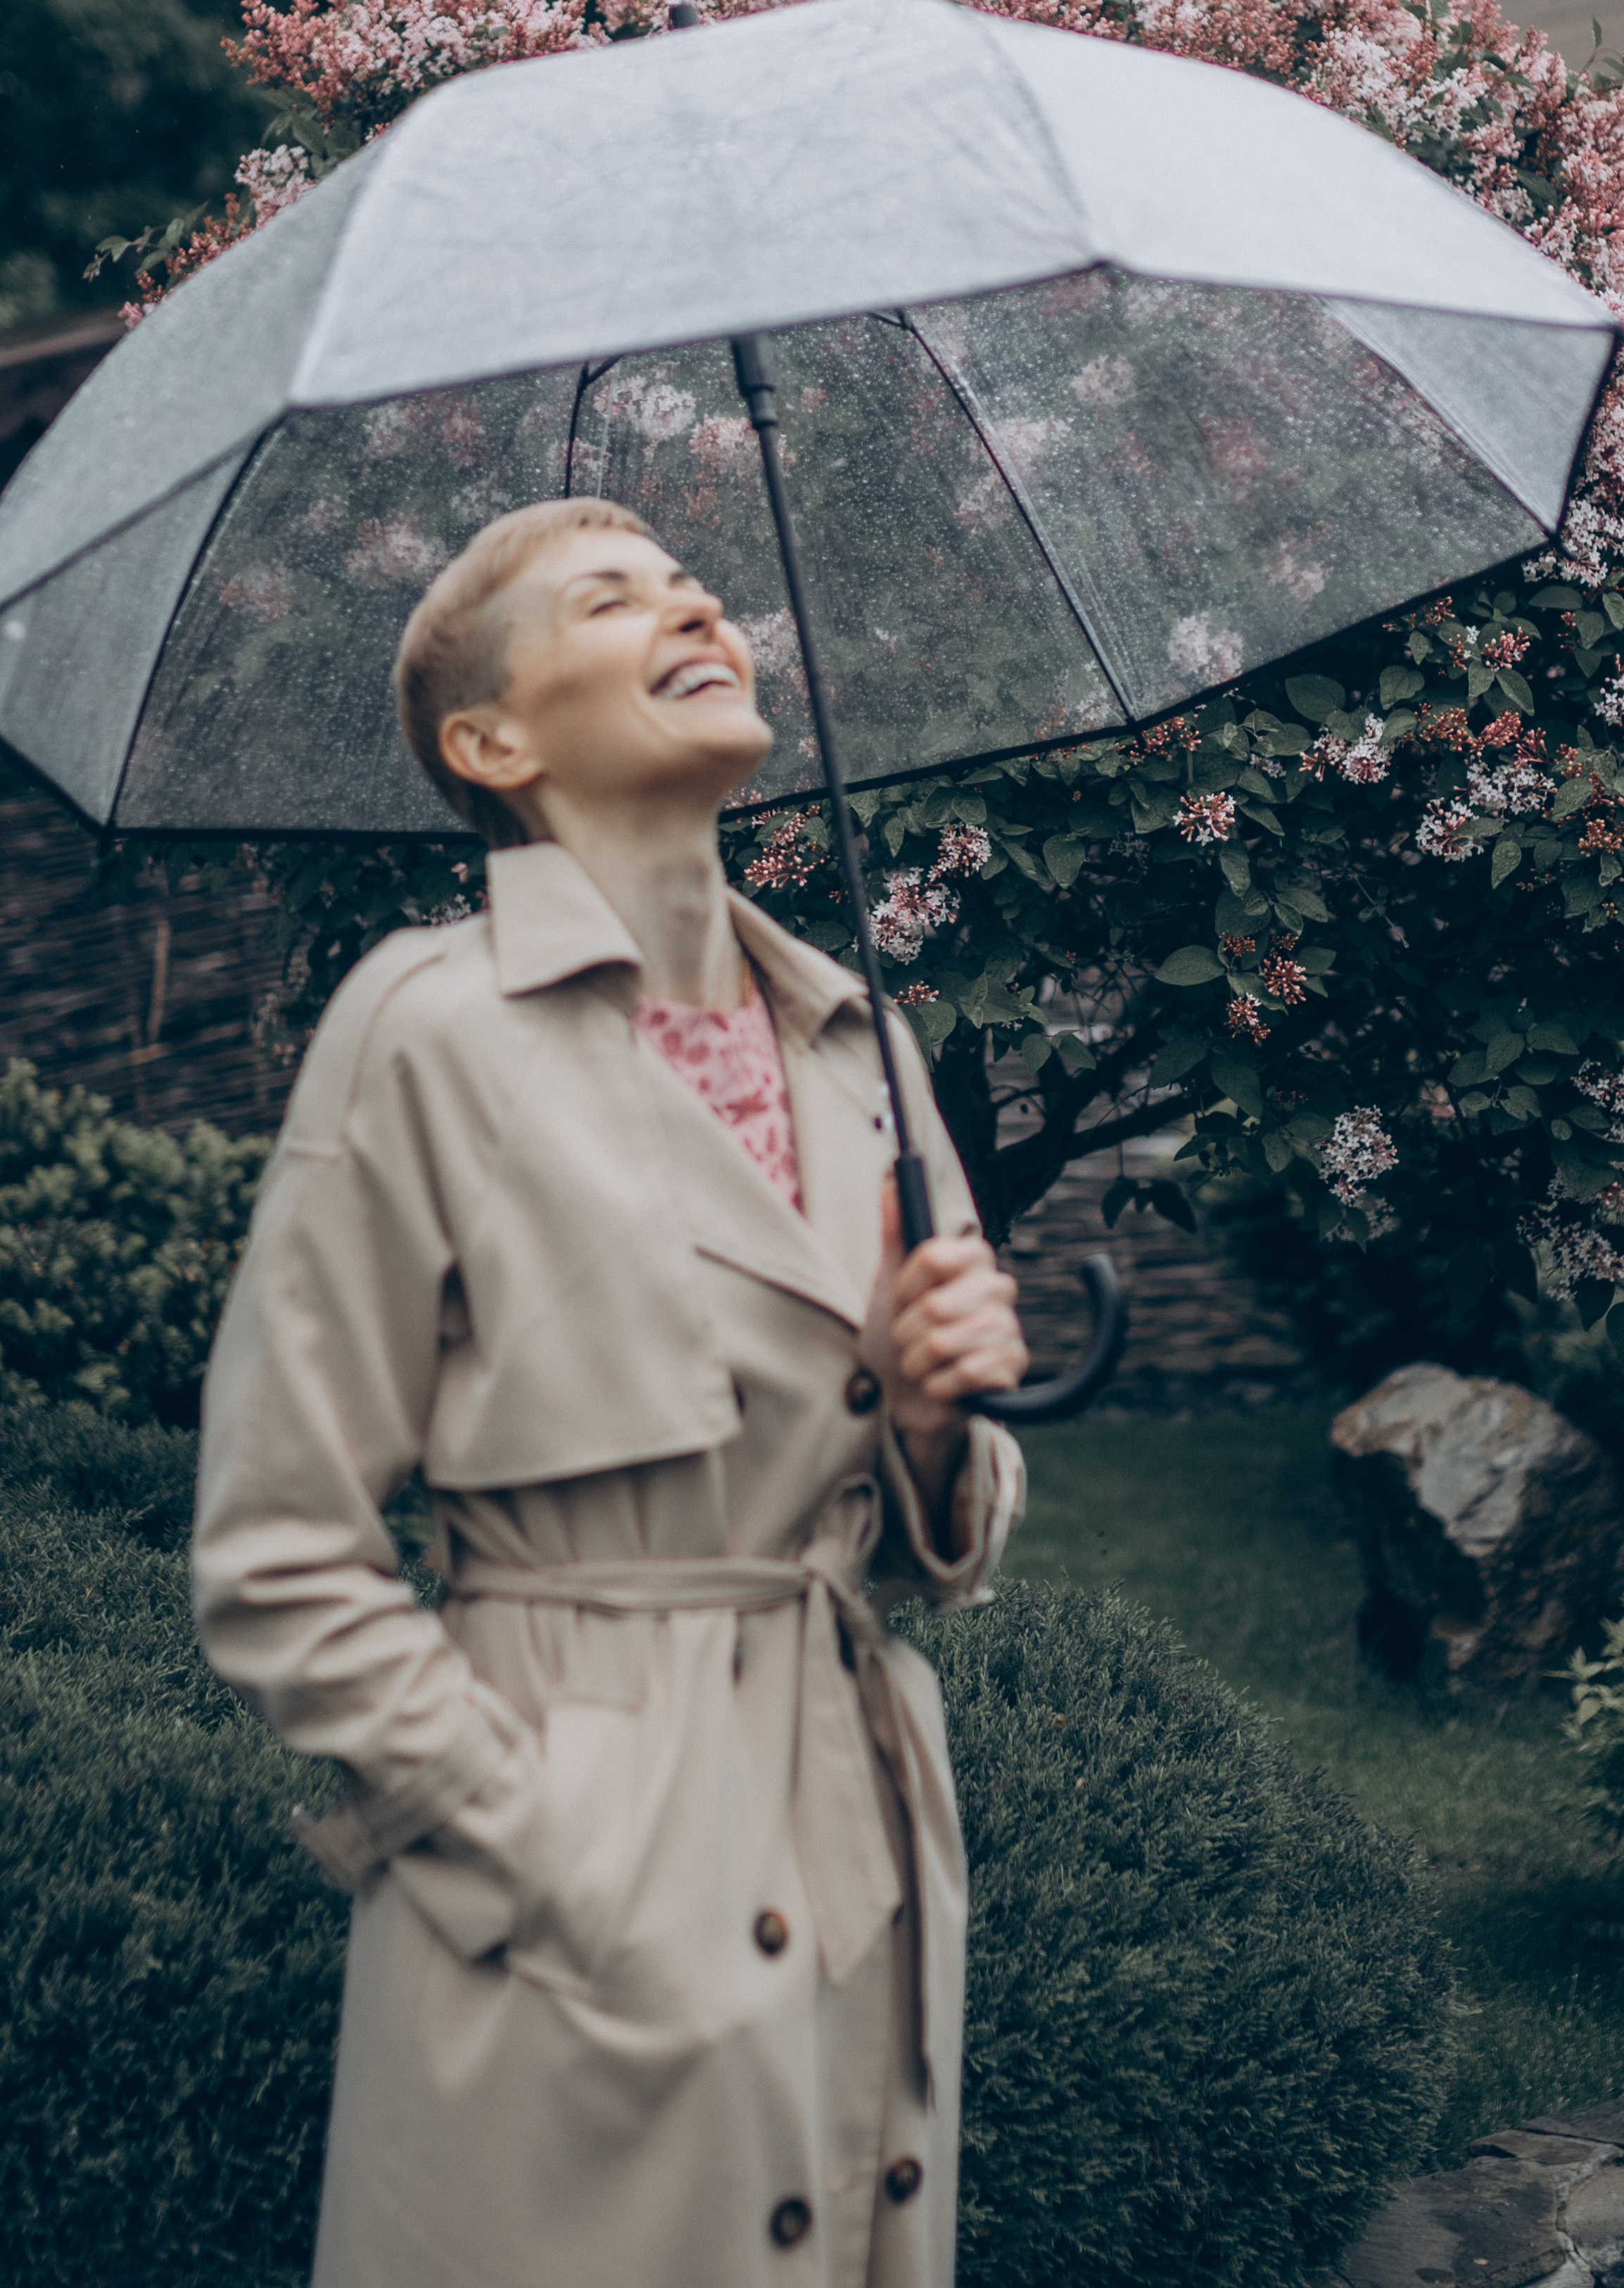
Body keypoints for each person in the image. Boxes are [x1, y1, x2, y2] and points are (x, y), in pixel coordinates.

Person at [191, 495, 1031, 2288]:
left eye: (692, 581)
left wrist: (939, 1419)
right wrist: (550, 1846)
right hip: (571, 1841)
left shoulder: (859, 1039)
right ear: (489, 743)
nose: (690, 600)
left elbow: (921, 1542)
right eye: (608, 596)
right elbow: (277, 1550)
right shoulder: (426, 1027)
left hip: (860, 1803)